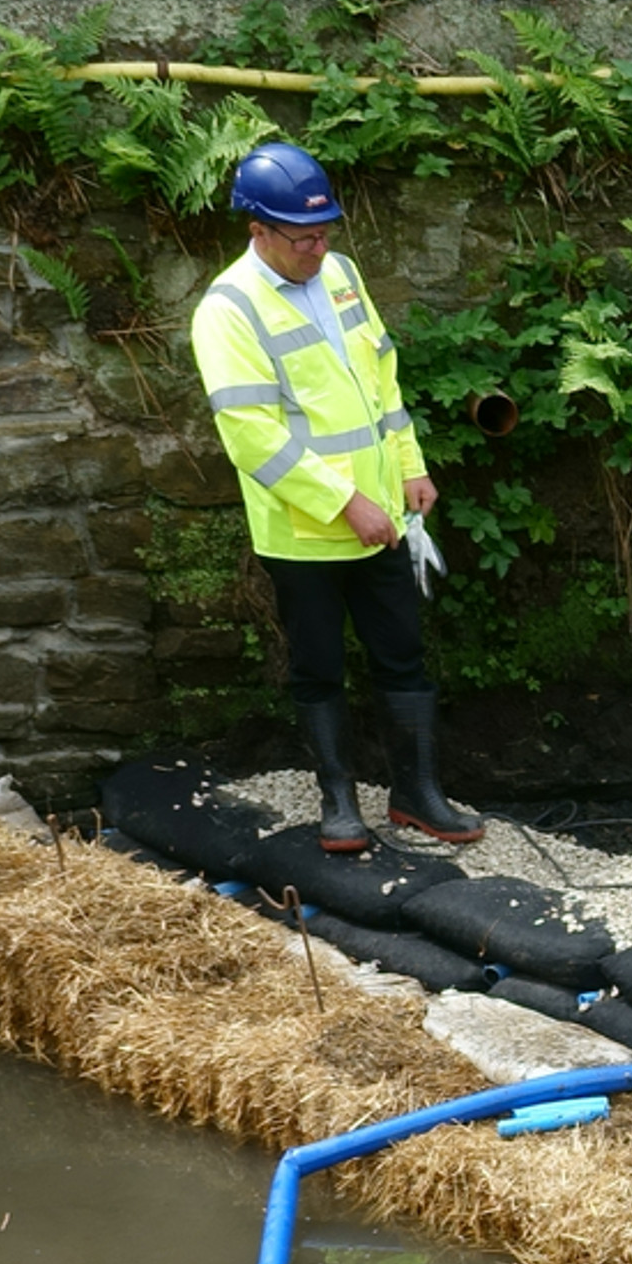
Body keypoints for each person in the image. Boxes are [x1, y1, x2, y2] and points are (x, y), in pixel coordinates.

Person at [188, 140, 480, 854]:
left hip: (382, 519)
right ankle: (338, 801)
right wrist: (344, 502)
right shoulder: (226, 311)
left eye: (325, 232)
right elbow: (252, 437)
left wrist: (409, 465)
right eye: (302, 237)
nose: (318, 248)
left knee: (402, 654)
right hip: (305, 533)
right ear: (257, 229)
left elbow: (383, 383)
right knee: (319, 666)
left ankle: (416, 795)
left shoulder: (342, 275)